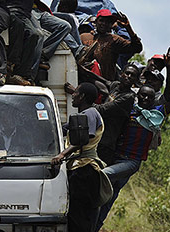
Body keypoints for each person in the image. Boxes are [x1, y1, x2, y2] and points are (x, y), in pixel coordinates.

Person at [95, 67, 170, 231]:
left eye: (150, 96)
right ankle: (93, 225)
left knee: (103, 176)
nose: (146, 98)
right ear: (138, 96)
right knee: (107, 197)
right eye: (143, 95)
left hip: (131, 162)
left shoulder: (157, 113)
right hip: (115, 156)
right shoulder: (130, 109)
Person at [51, 82, 105, 232]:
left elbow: (84, 138)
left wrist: (62, 154)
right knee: (76, 215)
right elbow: (61, 129)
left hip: (85, 169)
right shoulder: (81, 116)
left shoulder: (90, 114)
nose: (72, 95)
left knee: (78, 217)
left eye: (75, 93)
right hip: (79, 169)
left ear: (81, 97)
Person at [87, 9, 142, 81]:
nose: (103, 23)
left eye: (107, 22)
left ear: (110, 24)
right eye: (101, 20)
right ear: (96, 21)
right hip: (88, 80)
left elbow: (137, 48)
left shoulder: (114, 40)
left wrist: (128, 27)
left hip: (106, 83)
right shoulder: (87, 37)